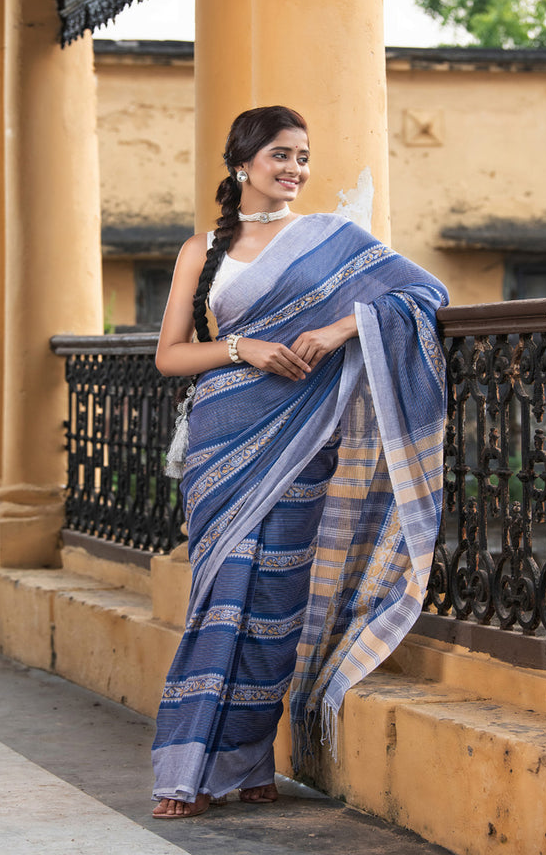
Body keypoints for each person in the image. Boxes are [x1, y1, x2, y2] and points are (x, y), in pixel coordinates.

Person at [151, 106, 448, 819]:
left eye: (303, 157)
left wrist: (346, 323)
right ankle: (186, 772)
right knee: (219, 604)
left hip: (300, 446)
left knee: (276, 609)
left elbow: (426, 295)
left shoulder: (334, 240)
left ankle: (251, 763)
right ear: (242, 164)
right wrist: (242, 347)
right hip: (221, 447)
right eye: (280, 155)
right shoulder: (204, 251)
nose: (294, 170)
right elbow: (169, 356)